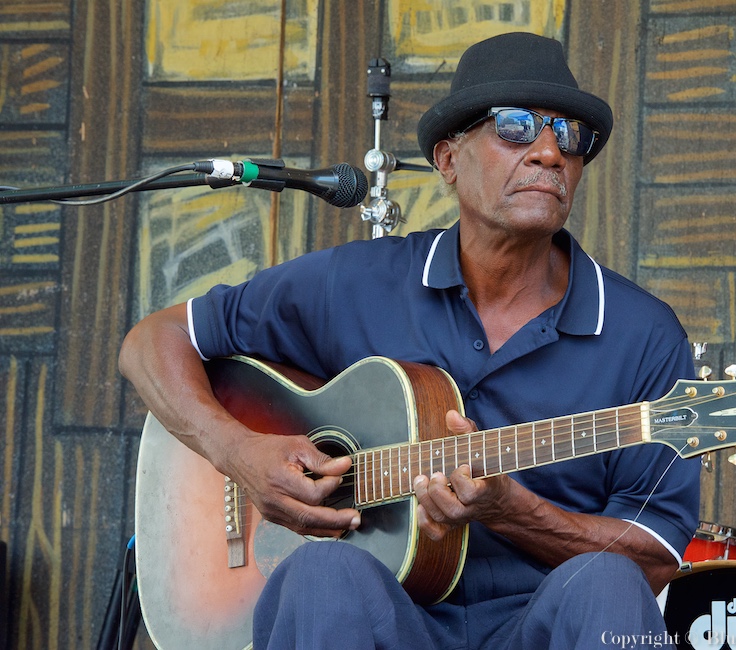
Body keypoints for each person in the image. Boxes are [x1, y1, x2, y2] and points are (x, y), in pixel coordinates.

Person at [119, 32, 700, 649]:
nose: (550, 152)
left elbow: (657, 556)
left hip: (544, 623)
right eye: (516, 127)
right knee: (320, 574)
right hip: (386, 620)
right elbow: (152, 341)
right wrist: (237, 452)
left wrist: (513, 511)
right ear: (449, 160)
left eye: (570, 136)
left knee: (606, 584)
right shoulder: (358, 284)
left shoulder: (643, 335)